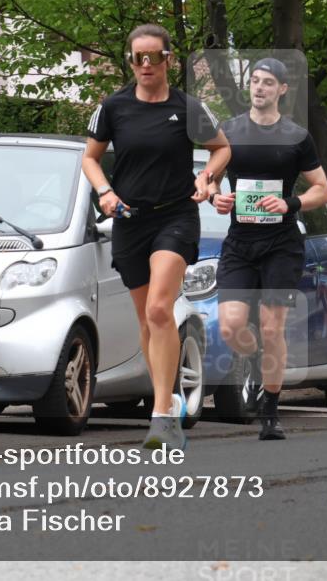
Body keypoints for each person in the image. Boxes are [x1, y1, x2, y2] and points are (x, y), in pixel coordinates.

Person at [82, 24, 230, 450]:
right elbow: (90, 159)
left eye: (153, 57)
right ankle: (166, 399)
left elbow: (222, 148)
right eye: (137, 58)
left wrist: (206, 178)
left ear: (169, 59)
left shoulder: (187, 107)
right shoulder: (113, 107)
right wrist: (105, 192)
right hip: (131, 219)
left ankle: (162, 413)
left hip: (176, 216)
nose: (145, 65)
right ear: (130, 61)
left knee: (161, 308)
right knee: (147, 318)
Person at [210, 58, 327, 440]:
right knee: (230, 327)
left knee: (271, 325)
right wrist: (215, 197)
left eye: (267, 83)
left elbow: (322, 189)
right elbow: (206, 177)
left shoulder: (296, 137)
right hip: (240, 243)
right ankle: (258, 357)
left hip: (281, 244)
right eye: (255, 82)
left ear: (282, 89)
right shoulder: (229, 132)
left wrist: (290, 203)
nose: (259, 88)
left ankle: (270, 413)